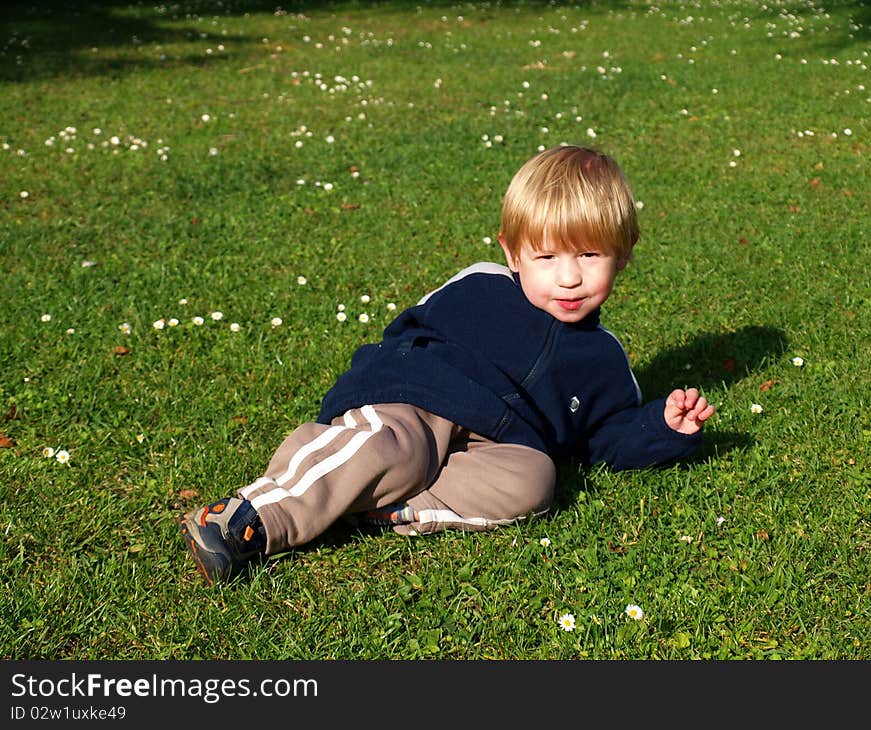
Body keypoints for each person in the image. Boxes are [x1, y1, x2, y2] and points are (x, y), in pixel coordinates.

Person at [179, 144, 716, 586]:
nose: (569, 278)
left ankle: (389, 509)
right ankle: (249, 518)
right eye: (546, 257)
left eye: (590, 256)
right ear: (512, 253)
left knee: (536, 480)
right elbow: (408, 332)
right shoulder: (481, 283)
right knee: (398, 445)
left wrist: (662, 428)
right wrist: (393, 381)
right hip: (423, 394)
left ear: (624, 253)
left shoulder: (606, 361)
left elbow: (606, 441)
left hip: (497, 441)